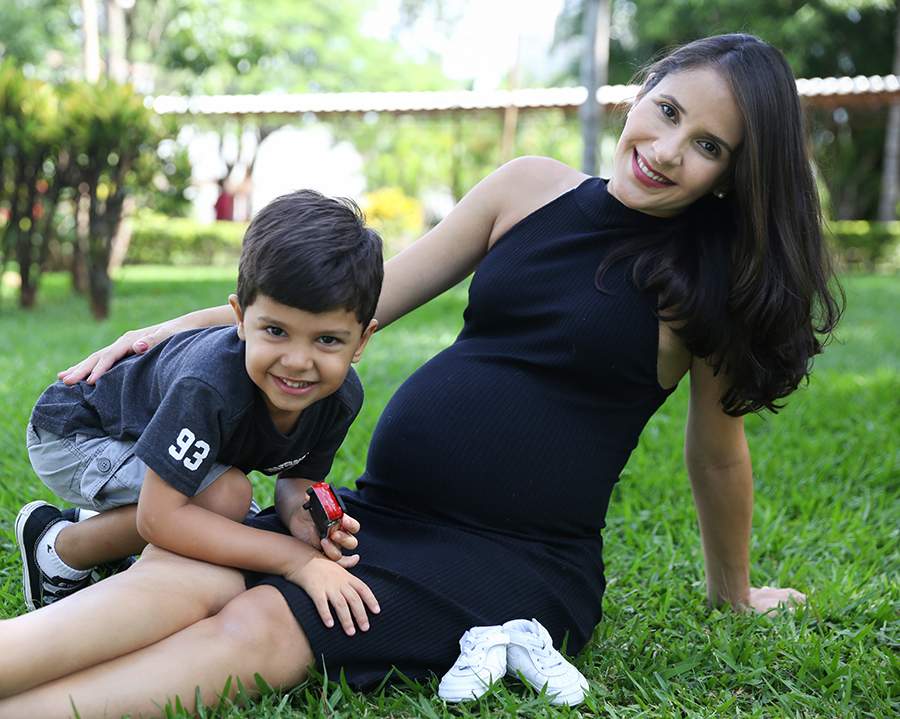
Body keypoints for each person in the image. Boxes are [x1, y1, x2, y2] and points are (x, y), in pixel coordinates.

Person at [0, 34, 842, 718]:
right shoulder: (530, 188)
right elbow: (366, 299)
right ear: (643, 89)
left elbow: (718, 452)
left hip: (517, 557)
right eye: (664, 111)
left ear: (735, 175)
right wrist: (171, 328)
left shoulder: (705, 290)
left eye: (705, 146)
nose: (663, 149)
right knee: (182, 574)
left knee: (260, 619)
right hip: (383, 511)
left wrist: (732, 590)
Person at [14, 189, 382, 628]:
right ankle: (57, 549)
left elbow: (298, 478)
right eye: (277, 331)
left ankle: (103, 527)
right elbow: (159, 518)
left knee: (222, 509)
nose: (298, 361)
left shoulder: (340, 398)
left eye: (327, 340)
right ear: (240, 319)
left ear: (361, 341)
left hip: (137, 435)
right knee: (225, 500)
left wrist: (303, 521)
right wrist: (293, 559)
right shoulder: (209, 385)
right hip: (76, 433)